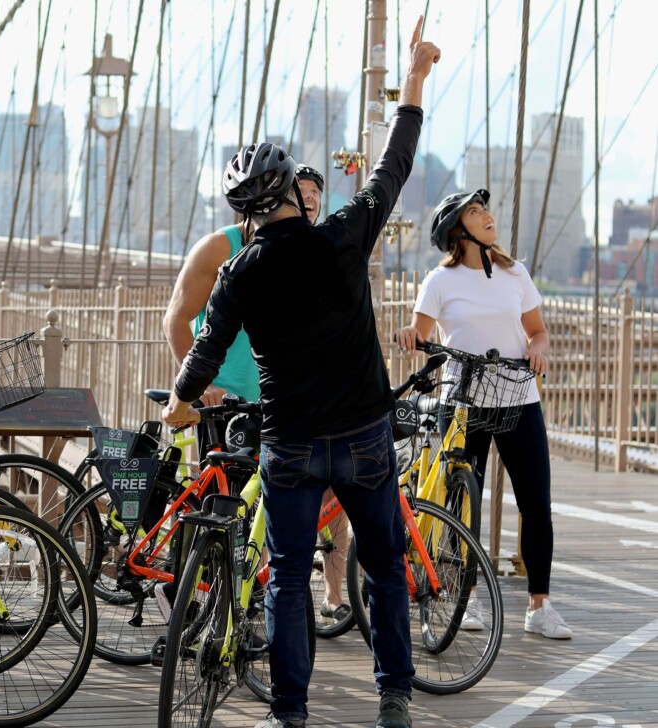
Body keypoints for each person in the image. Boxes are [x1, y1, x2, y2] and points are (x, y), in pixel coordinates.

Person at [163, 18, 439, 728]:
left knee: (287, 577)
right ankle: (394, 698)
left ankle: (290, 714)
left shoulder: (238, 273)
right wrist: (412, 80)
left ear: (245, 210)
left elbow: (202, 348)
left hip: (288, 445)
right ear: (292, 189)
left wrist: (180, 404)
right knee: (384, 568)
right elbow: (393, 169)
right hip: (365, 437)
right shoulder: (342, 237)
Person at [160, 165, 345, 621]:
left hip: (287, 403)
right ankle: (205, 600)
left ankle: (326, 597)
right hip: (226, 404)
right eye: (294, 193)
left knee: (314, 502)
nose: (303, 202)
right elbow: (176, 319)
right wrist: (201, 388)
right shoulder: (222, 246)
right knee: (229, 509)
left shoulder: (310, 249)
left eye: (312, 195)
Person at [395, 189, 570, 640]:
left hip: (518, 398)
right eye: (476, 212)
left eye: (485, 209)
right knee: (460, 501)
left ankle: (540, 606)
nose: (488, 216)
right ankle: (464, 598)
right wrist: (410, 334)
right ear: (459, 230)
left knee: (536, 505)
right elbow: (421, 330)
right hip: (465, 403)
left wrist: (537, 349)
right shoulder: (440, 280)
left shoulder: (515, 273)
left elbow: (538, 332)